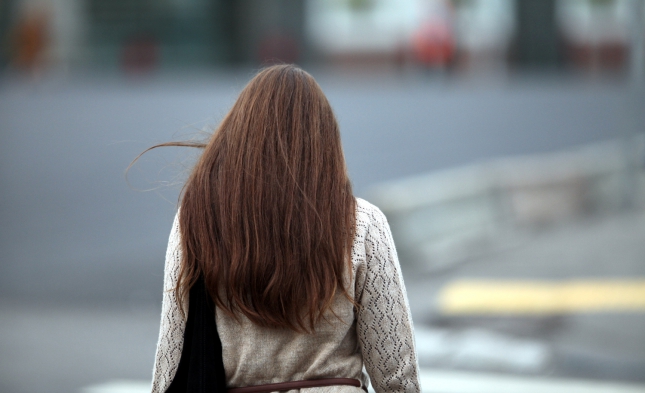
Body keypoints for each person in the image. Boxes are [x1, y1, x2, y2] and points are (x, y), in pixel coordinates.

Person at [148, 65, 420, 393]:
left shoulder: (198, 219)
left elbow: (171, 356)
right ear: (324, 142)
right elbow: (396, 372)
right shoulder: (361, 223)